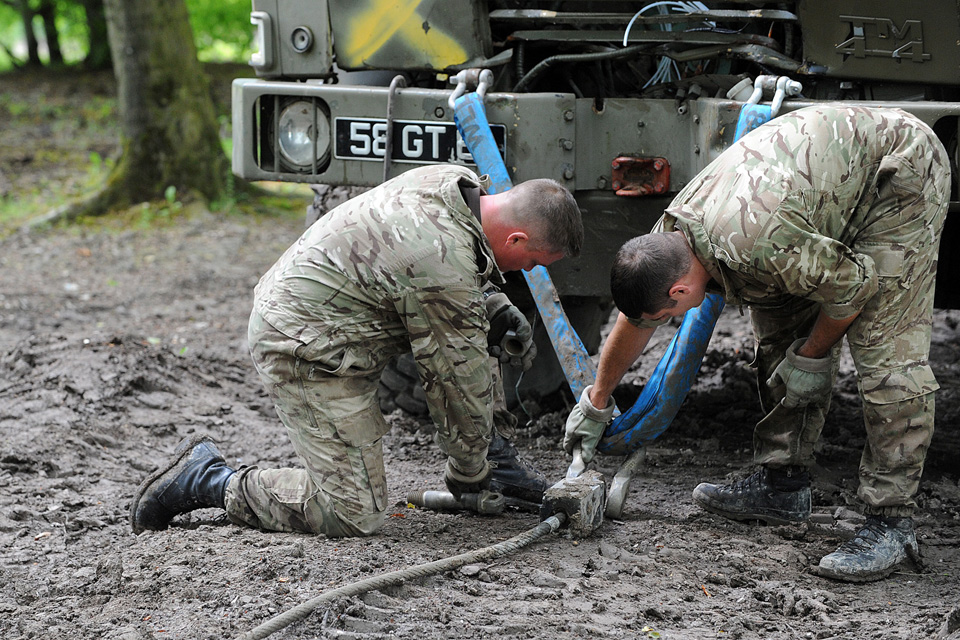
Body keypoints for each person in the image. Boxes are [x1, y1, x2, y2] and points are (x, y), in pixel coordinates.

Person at [563, 105, 949, 582]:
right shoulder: (668, 242)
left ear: (681, 292)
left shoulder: (759, 246)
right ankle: (782, 484)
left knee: (886, 355)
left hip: (898, 170)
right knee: (778, 336)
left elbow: (854, 288)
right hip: (813, 192)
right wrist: (597, 400)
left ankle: (891, 521)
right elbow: (637, 319)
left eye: (669, 317)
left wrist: (814, 354)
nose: (666, 323)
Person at [131, 164, 583, 538]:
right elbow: (454, 380)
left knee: (471, 323)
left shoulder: (456, 185)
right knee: (350, 514)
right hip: (303, 345)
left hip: (330, 317)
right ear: (518, 240)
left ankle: (493, 455)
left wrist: (492, 305)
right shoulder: (441, 264)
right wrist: (471, 473)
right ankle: (207, 478)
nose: (528, 271)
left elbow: (432, 273)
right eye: (533, 262)